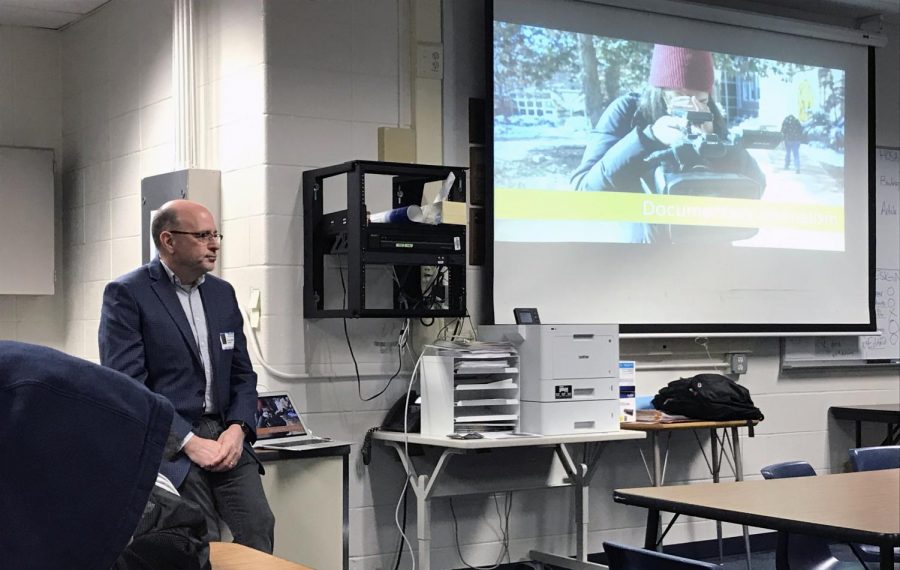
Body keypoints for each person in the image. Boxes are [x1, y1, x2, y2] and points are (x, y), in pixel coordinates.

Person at [99, 199, 275, 552]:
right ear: (168, 240)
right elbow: (128, 387)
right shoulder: (128, 294)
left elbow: (242, 374)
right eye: (202, 235)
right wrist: (188, 442)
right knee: (198, 537)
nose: (215, 244)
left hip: (224, 433)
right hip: (170, 436)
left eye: (215, 234)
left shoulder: (222, 293)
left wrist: (238, 429)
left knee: (258, 526)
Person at [570, 44, 765, 242]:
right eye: (679, 99)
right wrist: (646, 139)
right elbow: (583, 192)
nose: (692, 108)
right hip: (643, 257)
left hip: (707, 252)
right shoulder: (628, 112)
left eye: (701, 99)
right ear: (659, 93)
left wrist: (716, 146)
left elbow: (756, 188)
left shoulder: (710, 116)